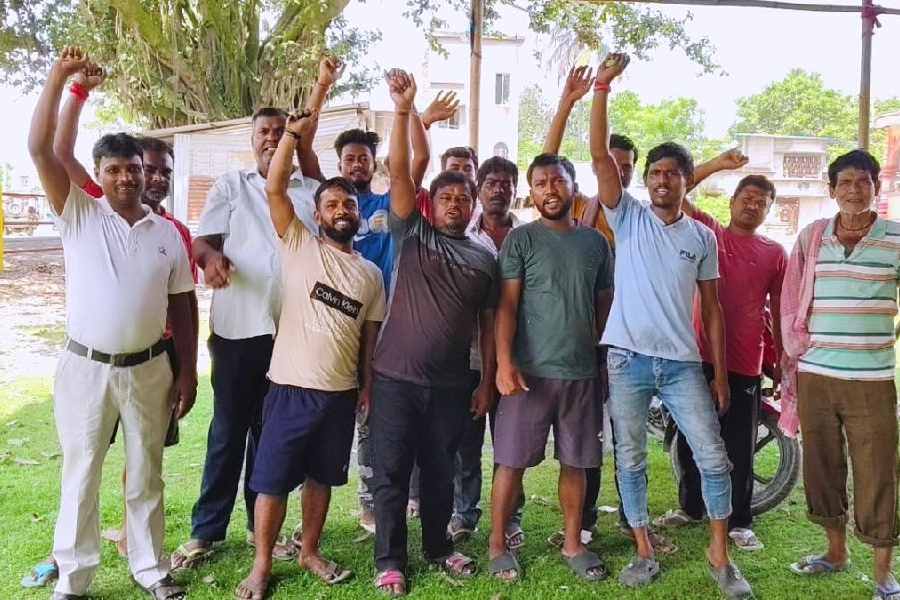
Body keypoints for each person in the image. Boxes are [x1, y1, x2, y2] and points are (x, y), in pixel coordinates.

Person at [22, 62, 200, 591]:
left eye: (134, 169)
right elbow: (41, 148)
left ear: (146, 173)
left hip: (149, 370)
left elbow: (184, 307)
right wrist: (65, 83)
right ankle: (73, 578)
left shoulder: (167, 234)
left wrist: (188, 372)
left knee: (146, 474)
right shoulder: (79, 213)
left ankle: (151, 569)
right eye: (114, 169)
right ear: (98, 175)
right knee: (81, 475)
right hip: (85, 368)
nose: (126, 177)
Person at [592, 53, 752, 599]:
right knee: (631, 459)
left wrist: (721, 374)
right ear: (646, 180)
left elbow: (713, 309)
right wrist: (601, 88)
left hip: (683, 363)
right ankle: (643, 551)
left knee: (713, 457)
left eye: (672, 174)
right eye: (655, 173)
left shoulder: (702, 237)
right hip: (627, 358)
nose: (662, 180)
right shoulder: (627, 216)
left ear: (687, 181)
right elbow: (599, 156)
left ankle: (720, 555)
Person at [234, 110, 385, 600]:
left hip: (340, 395)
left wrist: (366, 386)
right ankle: (261, 565)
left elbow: (369, 338)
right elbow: (276, 187)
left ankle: (310, 550)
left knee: (322, 478)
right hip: (291, 388)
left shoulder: (371, 276)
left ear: (358, 214)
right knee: (273, 481)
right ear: (317, 215)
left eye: (349, 204)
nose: (342, 209)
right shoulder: (299, 243)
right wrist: (293, 136)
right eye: (331, 204)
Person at [171, 106, 319, 570]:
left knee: (271, 436)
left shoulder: (311, 192)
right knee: (228, 432)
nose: (272, 138)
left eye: (281, 131)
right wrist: (210, 260)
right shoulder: (231, 186)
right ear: (253, 139)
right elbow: (203, 242)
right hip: (238, 330)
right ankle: (207, 530)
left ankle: (261, 528)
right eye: (264, 132)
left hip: (293, 334)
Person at [369, 70, 497, 597]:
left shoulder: (485, 258)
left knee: (440, 471)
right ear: (432, 204)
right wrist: (404, 110)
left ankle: (440, 548)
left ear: (473, 206)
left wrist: (486, 381)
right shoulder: (412, 232)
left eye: (463, 199)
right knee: (392, 474)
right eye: (445, 198)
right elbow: (401, 170)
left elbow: (489, 324)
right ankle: (390, 561)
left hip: (451, 384)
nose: (454, 205)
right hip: (395, 379)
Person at [489, 151, 614, 583]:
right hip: (529, 374)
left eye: (557, 181)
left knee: (576, 463)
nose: (550, 190)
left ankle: (573, 542)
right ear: (532, 192)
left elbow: (604, 303)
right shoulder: (520, 240)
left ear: (572, 186)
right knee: (511, 462)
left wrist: (598, 354)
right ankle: (497, 545)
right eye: (541, 183)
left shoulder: (595, 243)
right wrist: (504, 363)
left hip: (581, 373)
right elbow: (506, 306)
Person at [784, 150, 900, 600]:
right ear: (831, 189)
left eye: (863, 181)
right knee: (821, 468)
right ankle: (835, 553)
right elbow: (791, 298)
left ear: (876, 187)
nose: (854, 190)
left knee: (879, 473)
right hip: (815, 375)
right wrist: (791, 356)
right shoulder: (812, 236)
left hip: (871, 381)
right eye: (845, 182)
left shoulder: (895, 239)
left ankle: (884, 576)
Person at [655, 171, 787, 555]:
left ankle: (740, 521)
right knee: (689, 437)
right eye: (747, 198)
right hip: (697, 355)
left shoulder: (775, 253)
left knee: (739, 445)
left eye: (761, 202)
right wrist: (718, 164)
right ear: (731, 202)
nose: (753, 206)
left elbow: (779, 309)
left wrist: (780, 357)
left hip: (745, 361)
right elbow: (680, 190)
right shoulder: (710, 233)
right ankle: (691, 508)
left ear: (768, 211)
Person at [446, 156, 526, 550]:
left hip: (516, 360)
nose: (499, 189)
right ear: (479, 188)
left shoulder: (528, 237)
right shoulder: (461, 236)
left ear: (515, 189)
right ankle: (464, 513)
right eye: (492, 182)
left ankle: (510, 517)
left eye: (506, 183)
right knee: (467, 443)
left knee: (511, 444)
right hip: (471, 359)